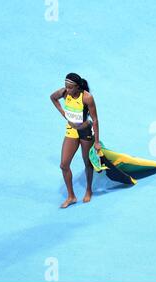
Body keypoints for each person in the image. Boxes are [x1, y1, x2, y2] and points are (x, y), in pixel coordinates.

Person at [50, 73, 102, 208]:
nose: (67, 90)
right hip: (71, 131)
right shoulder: (64, 93)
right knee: (64, 165)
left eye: (70, 87)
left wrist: (97, 141)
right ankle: (71, 196)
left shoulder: (87, 98)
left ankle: (89, 190)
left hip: (85, 132)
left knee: (87, 163)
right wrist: (63, 113)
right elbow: (53, 98)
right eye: (66, 86)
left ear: (78, 87)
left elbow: (95, 120)